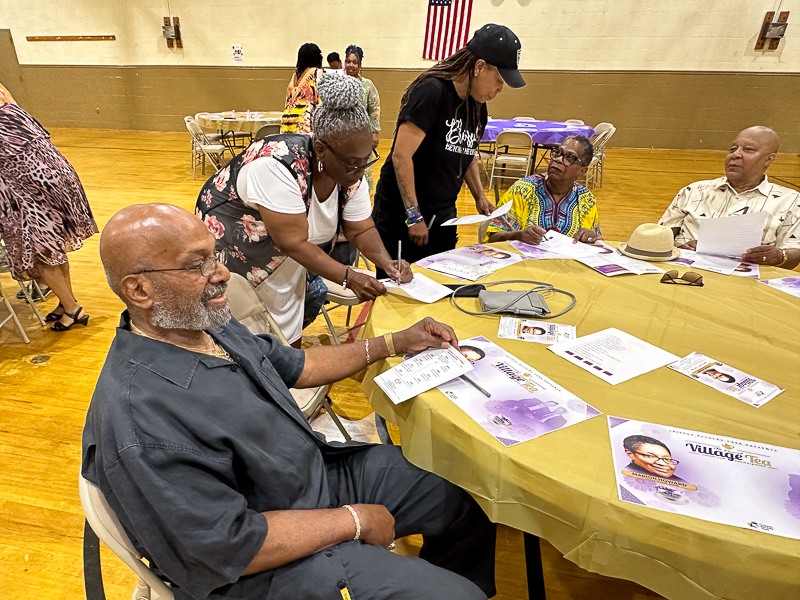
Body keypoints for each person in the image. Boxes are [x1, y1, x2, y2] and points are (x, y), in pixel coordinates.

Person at [83, 203, 496, 600]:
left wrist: (395, 341)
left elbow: (299, 366)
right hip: (262, 565)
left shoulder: (203, 326)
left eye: (215, 255)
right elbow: (228, 545)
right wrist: (352, 520)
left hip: (308, 479)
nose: (223, 272)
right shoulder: (141, 419)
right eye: (198, 265)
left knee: (461, 485)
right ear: (139, 290)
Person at [196, 73, 410, 344]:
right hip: (238, 257)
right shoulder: (277, 165)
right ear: (321, 150)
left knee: (284, 341)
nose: (360, 171)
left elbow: (361, 228)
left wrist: (387, 263)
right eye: (353, 163)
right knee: (243, 341)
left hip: (286, 264)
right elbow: (293, 242)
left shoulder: (348, 172)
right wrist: (350, 276)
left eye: (366, 160)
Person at [372, 24, 526, 278]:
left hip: (442, 215)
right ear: (479, 67)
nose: (500, 89)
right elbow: (401, 156)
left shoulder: (477, 106)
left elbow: (466, 152)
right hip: (403, 216)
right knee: (400, 296)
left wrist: (479, 195)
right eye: (499, 80)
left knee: (439, 287)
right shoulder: (431, 92)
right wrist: (414, 216)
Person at [0, 92, 98, 331]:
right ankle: (67, 303)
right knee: (54, 249)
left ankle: (73, 310)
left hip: (29, 189)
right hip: (57, 178)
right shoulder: (6, 101)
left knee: (42, 253)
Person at [659, 126, 800, 269]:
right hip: (683, 274)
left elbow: (794, 253)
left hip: (746, 282)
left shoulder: (791, 201)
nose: (736, 154)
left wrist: (779, 256)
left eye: (748, 149)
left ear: (768, 159)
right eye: (733, 149)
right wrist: (680, 247)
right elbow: (659, 236)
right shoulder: (694, 190)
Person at [486, 135, 600, 245]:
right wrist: (519, 235)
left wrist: (590, 237)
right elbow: (493, 237)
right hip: (525, 263)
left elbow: (597, 243)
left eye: (570, 157)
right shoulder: (522, 190)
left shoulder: (586, 199)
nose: (559, 160)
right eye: (558, 153)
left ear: (582, 171)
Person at [344, 44, 381, 197]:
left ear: (360, 65)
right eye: (348, 61)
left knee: (364, 174)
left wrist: (375, 133)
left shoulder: (367, 85)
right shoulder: (339, 83)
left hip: (362, 138)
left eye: (354, 62)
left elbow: (374, 110)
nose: (351, 65)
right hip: (343, 137)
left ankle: (364, 203)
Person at [281, 43, 324, 134]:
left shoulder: (294, 77)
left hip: (286, 128)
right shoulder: (317, 73)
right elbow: (322, 103)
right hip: (305, 129)